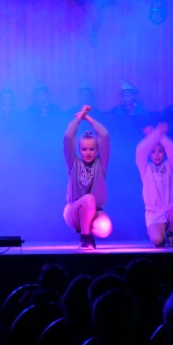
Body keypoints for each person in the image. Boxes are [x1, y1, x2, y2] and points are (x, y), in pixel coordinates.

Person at [63, 104, 113, 249]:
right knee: (89, 198)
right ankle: (85, 238)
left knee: (104, 227)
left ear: (97, 150)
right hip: (74, 211)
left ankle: (88, 233)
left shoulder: (100, 164)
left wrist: (89, 119)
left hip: (94, 211)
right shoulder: (73, 163)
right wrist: (80, 117)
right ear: (79, 150)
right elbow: (68, 137)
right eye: (84, 149)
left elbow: (105, 135)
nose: (88, 152)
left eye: (92, 149)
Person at [135, 122, 173, 247]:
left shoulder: (170, 165)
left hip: (169, 209)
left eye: (160, 151)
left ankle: (172, 234)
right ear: (149, 154)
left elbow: (172, 147)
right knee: (158, 241)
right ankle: (160, 230)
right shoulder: (145, 168)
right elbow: (140, 150)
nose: (156, 154)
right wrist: (154, 134)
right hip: (154, 214)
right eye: (153, 152)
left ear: (164, 153)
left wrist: (157, 133)